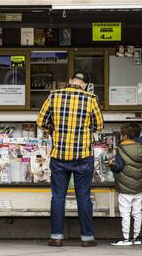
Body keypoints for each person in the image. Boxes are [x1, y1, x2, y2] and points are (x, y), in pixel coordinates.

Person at [37, 72, 103, 247]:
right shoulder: (91, 99)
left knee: (58, 197)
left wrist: (53, 128)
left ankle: (56, 237)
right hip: (83, 156)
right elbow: (99, 125)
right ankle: (87, 238)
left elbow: (41, 121)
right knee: (83, 197)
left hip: (59, 156)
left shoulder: (54, 96)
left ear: (70, 82)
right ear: (86, 85)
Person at [109, 123, 142, 246]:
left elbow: (118, 167)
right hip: (138, 186)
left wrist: (111, 164)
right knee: (137, 212)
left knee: (125, 213)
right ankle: (136, 237)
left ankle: (126, 238)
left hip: (125, 186)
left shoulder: (122, 148)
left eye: (122, 134)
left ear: (125, 135)